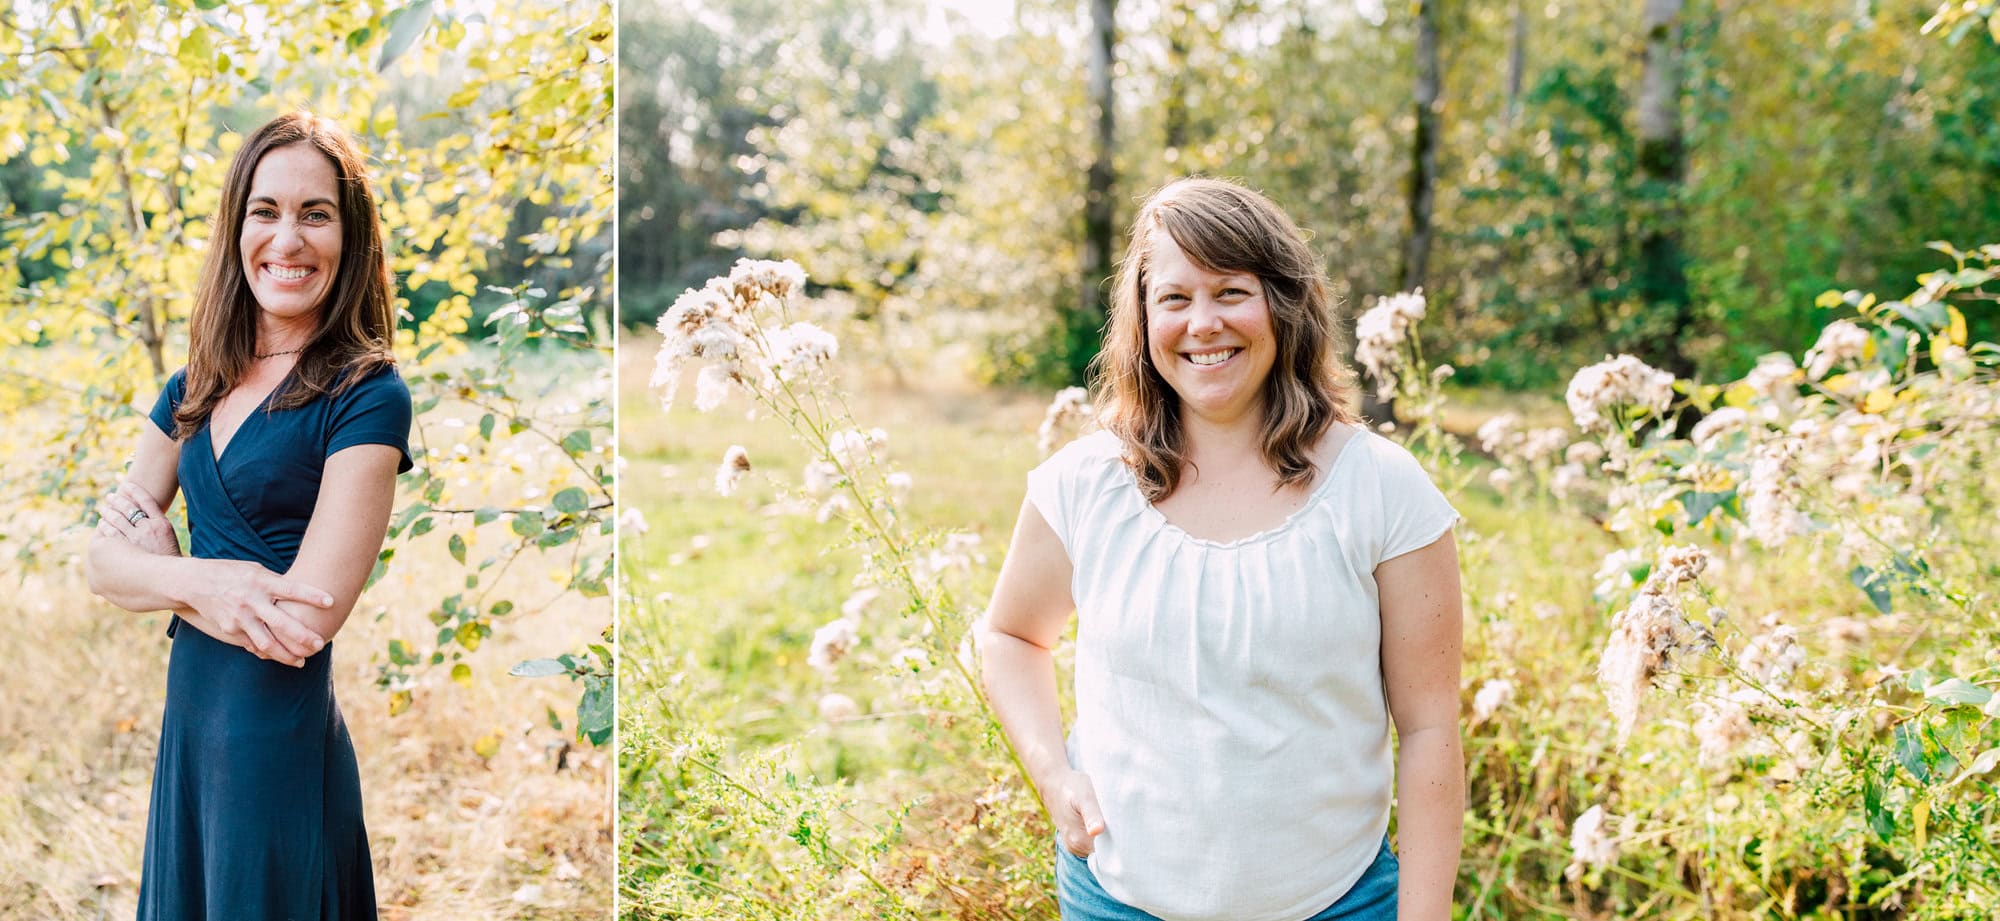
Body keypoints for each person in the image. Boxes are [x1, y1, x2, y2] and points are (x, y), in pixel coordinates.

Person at [979, 178, 1464, 921]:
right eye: (1174, 298)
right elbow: (1010, 636)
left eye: (1231, 291)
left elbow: (1430, 729)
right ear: (1142, 319)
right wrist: (1053, 774)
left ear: (1284, 304)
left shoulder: (1382, 488)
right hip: (1117, 900)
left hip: (1336, 902)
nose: (1203, 323)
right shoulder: (1084, 482)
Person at [85, 111, 411, 921]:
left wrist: (170, 577)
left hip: (278, 743)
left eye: (317, 213)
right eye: (266, 210)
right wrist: (202, 579)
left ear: (351, 235)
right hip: (192, 733)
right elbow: (102, 565)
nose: (288, 240)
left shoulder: (368, 396)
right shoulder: (195, 382)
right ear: (237, 227)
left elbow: (306, 617)